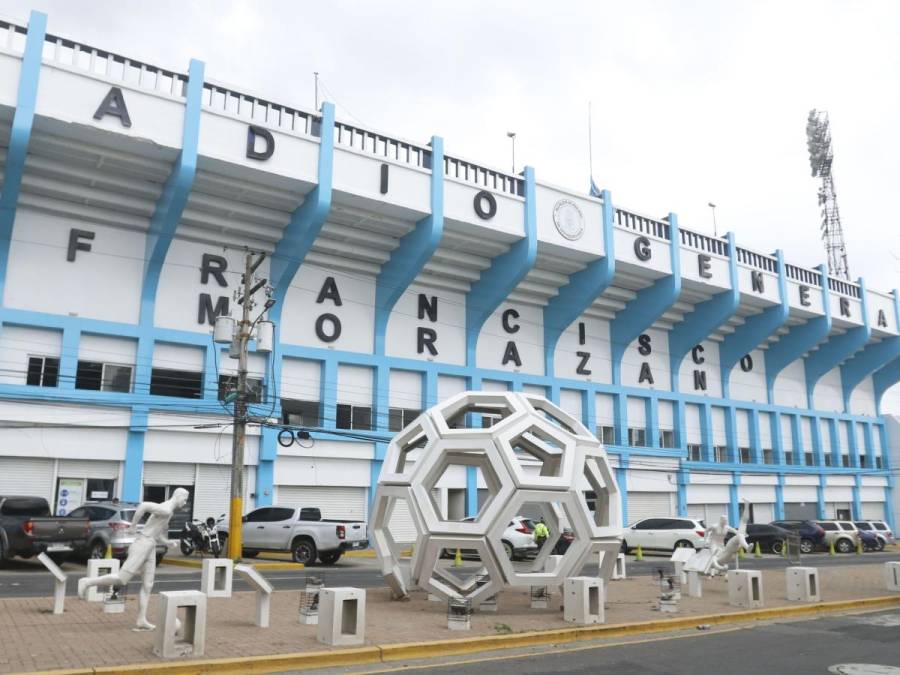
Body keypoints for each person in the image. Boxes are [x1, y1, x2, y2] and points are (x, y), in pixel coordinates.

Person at [78, 488, 189, 630]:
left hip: (150, 546)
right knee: (122, 579)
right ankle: (87, 582)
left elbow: (157, 531)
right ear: (178, 496)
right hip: (142, 544)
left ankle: (141, 620)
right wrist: (133, 526)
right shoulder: (166, 509)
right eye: (184, 499)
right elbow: (143, 506)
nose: (185, 503)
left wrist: (167, 542)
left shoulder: (169, 511)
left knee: (147, 585)